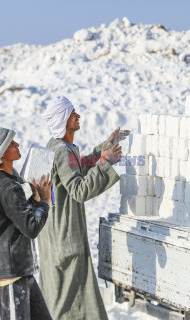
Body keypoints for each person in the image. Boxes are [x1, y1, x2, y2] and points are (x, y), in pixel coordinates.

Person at [38, 96, 129, 319]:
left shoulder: (56, 147)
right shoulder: (61, 151)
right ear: (63, 119)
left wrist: (105, 148)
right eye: (72, 113)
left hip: (54, 240)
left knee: (65, 303)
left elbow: (77, 167)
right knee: (71, 307)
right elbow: (80, 191)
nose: (78, 116)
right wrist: (105, 163)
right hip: (66, 240)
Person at [0, 127, 53, 320]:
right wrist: (45, 201)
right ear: (2, 152)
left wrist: (36, 197)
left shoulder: (2, 181)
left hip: (20, 270)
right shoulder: (7, 187)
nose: (17, 144)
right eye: (12, 143)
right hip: (9, 272)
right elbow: (31, 227)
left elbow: (18, 218)